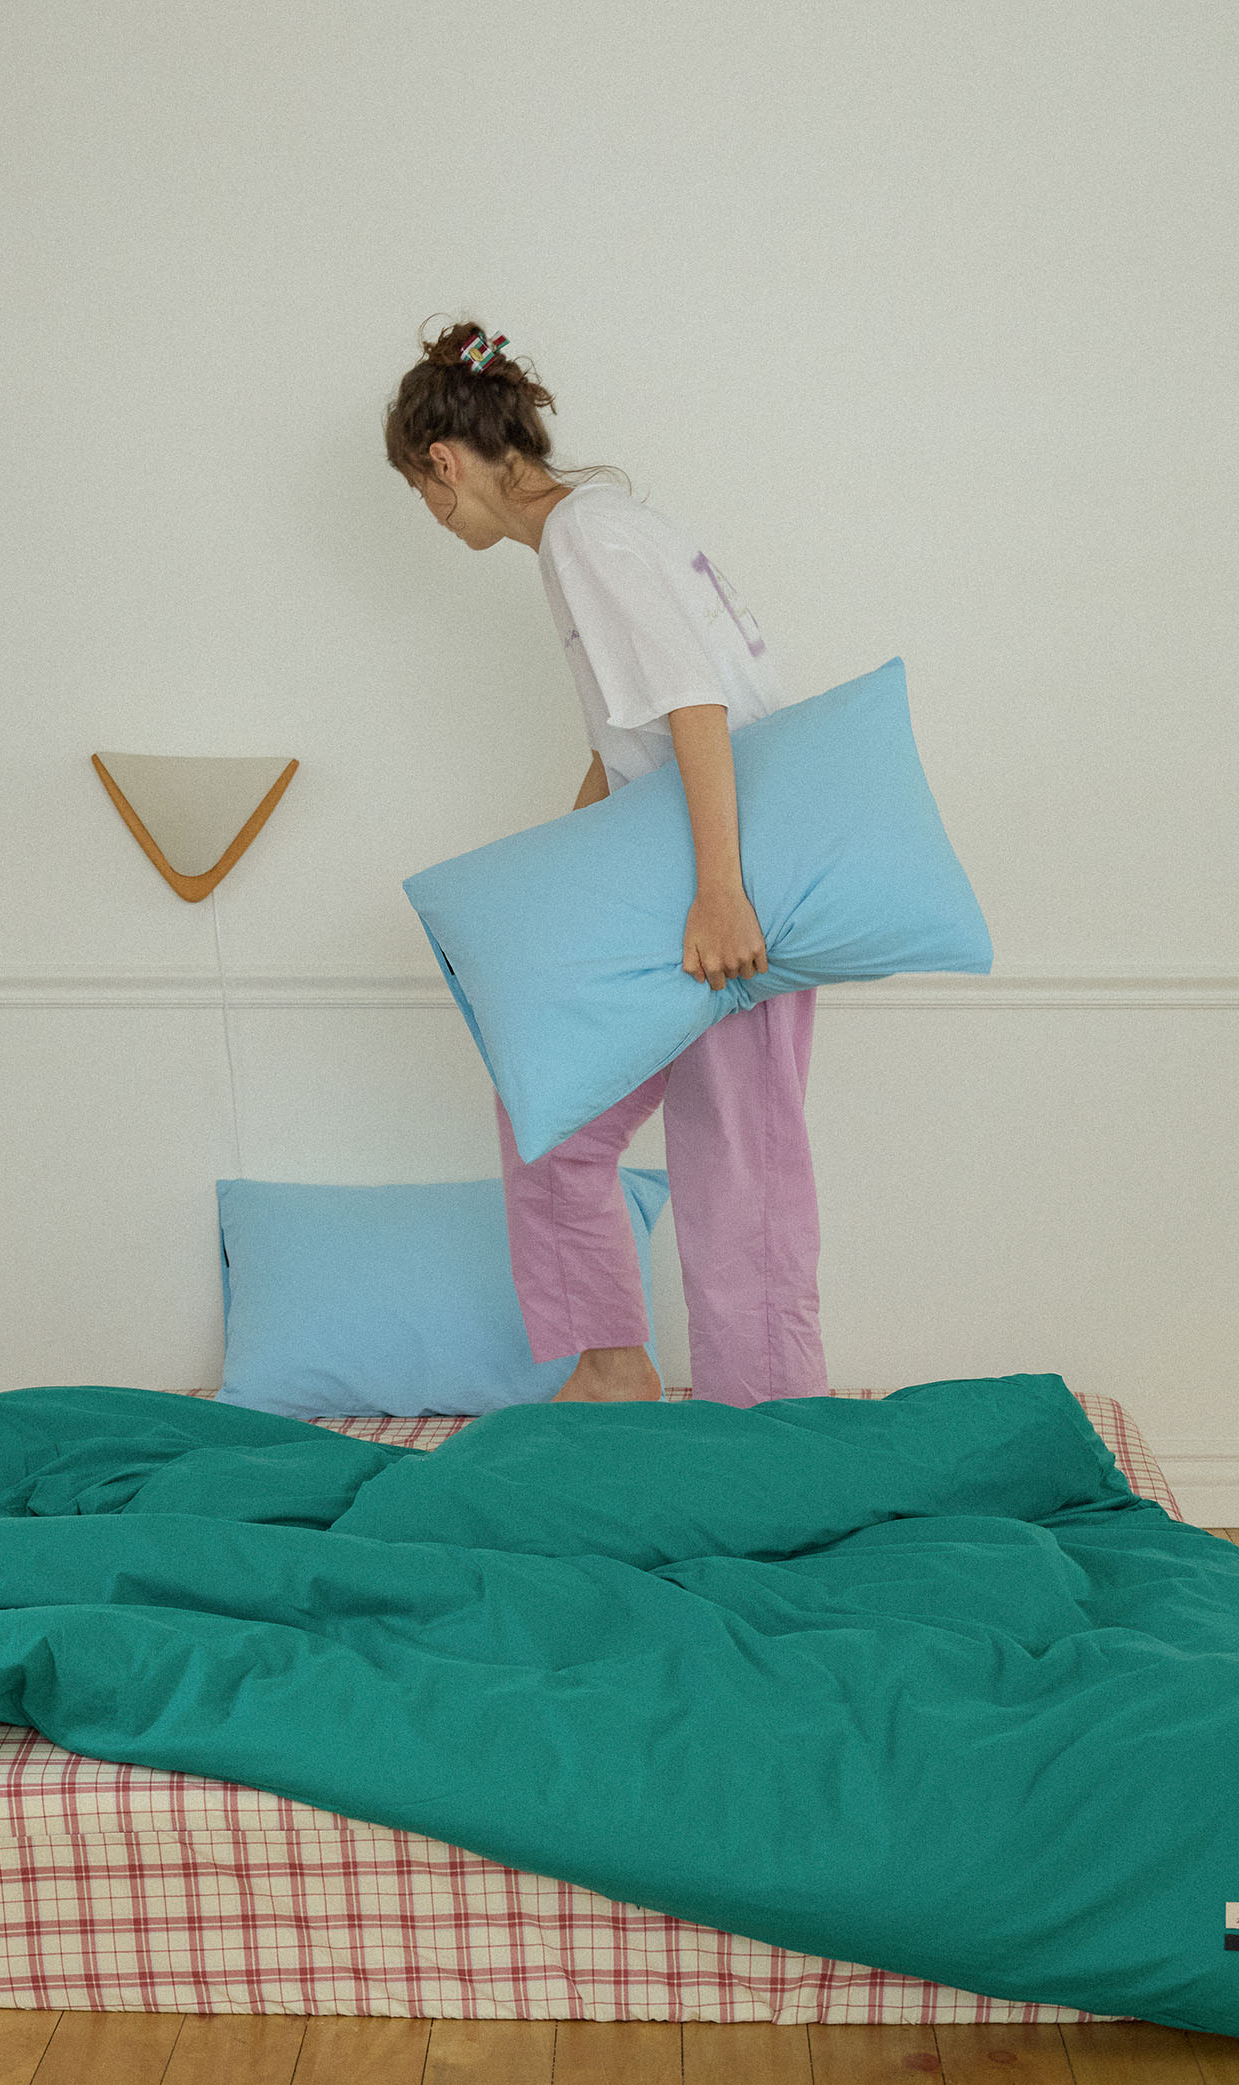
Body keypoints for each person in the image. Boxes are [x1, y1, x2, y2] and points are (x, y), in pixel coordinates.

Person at [383, 319, 826, 1409]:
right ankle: (611, 1363)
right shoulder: (586, 539)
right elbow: (622, 743)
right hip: (669, 879)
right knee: (547, 1105)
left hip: (728, 885)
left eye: (422, 493)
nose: (433, 518)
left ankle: (774, 1441)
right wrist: (555, 891)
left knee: (739, 1179)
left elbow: (695, 707)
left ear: (443, 463)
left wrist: (721, 893)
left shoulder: (591, 533)